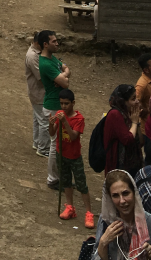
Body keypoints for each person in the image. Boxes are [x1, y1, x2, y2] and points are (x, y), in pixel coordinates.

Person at [93, 168, 151, 260]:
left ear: (134, 192)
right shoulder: (106, 221)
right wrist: (103, 243)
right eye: (115, 195)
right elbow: (94, 256)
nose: (122, 201)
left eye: (126, 193)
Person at [49, 89, 95, 229]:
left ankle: (89, 213)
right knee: (66, 182)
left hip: (74, 157)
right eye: (61, 103)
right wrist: (51, 124)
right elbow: (52, 134)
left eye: (66, 104)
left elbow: (74, 136)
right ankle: (70, 207)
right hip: (61, 153)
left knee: (81, 184)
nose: (63, 107)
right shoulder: (59, 114)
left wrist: (65, 122)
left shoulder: (79, 119)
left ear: (73, 103)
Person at [38, 29, 70, 187]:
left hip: (58, 105)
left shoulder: (52, 58)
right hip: (53, 107)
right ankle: (52, 179)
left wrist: (65, 73)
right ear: (45, 44)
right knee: (55, 143)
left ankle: (59, 176)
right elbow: (65, 82)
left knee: (60, 142)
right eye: (54, 41)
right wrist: (63, 76)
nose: (57, 43)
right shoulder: (45, 63)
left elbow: (66, 69)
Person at [104, 84, 143, 176]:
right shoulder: (115, 114)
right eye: (133, 99)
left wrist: (137, 123)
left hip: (133, 164)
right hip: (118, 166)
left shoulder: (128, 114)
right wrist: (134, 122)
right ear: (123, 102)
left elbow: (141, 142)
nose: (137, 101)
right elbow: (127, 139)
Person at [25, 32, 50, 155]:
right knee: (44, 121)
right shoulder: (32, 56)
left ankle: (37, 143)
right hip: (38, 92)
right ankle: (44, 149)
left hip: (37, 92)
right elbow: (41, 76)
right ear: (36, 42)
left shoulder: (36, 53)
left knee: (37, 119)